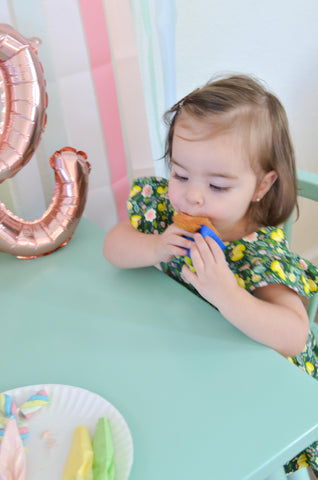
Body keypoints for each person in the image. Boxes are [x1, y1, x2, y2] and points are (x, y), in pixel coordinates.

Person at [104, 74, 318, 476]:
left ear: (261, 185)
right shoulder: (171, 217)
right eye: (181, 175)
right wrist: (153, 248)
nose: (193, 196)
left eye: (218, 185)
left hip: (254, 388)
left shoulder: (259, 252)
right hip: (182, 361)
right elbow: (113, 246)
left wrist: (227, 293)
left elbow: (294, 335)